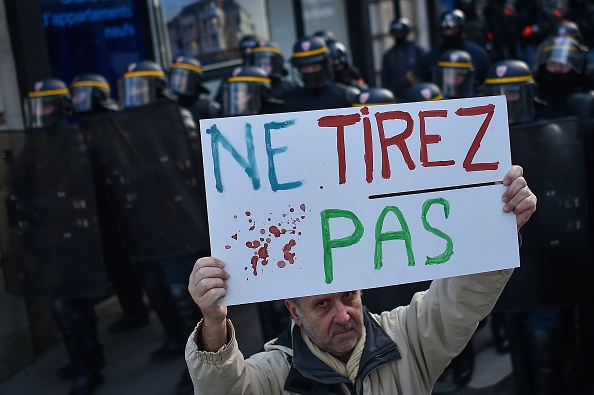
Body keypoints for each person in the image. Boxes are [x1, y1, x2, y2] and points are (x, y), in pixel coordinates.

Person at [185, 165, 537, 394]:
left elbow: (461, 300)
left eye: (348, 296)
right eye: (322, 304)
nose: (343, 315)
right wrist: (214, 324)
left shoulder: (408, 336)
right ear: (294, 310)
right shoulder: (274, 377)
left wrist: (499, 229)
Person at [485, 59, 592, 394]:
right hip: (506, 249)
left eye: (514, 94)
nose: (509, 101)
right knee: (515, 330)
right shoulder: (481, 142)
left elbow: (567, 188)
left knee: (545, 335)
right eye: (500, 95)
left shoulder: (550, 130)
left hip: (545, 249)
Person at [71, 73, 151, 335]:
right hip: (101, 205)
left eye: (84, 93)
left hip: (126, 203)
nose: (79, 100)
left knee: (139, 263)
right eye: (76, 94)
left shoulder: (117, 121)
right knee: (116, 262)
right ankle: (133, 310)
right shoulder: (79, 127)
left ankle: (146, 312)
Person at [279, 35, 360, 112]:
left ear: (325, 66)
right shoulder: (288, 101)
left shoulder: (345, 97)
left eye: (315, 66)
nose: (310, 71)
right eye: (305, 68)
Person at [417, 9, 491, 87]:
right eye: (445, 30)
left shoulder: (478, 54)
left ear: (460, 29)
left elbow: (485, 82)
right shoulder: (432, 56)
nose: (449, 33)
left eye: (452, 30)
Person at [533, 36, 587, 119]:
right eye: (552, 63)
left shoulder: (584, 99)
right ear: (543, 67)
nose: (558, 69)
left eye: (565, 65)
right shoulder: (534, 98)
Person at [380, 17, 427, 102]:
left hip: (418, 96)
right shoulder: (389, 55)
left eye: (401, 32)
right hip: (398, 98)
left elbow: (427, 72)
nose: (399, 34)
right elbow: (385, 79)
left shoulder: (417, 50)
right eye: (396, 32)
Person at [168, 56, 221, 121]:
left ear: (195, 80)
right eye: (175, 77)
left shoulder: (208, 108)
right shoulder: (167, 109)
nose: (177, 81)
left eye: (182, 77)